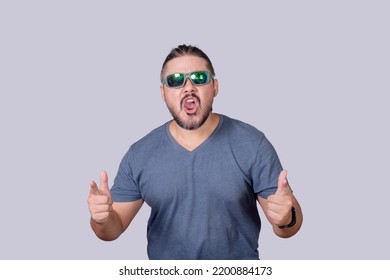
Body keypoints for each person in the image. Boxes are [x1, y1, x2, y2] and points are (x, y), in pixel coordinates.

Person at [88, 44, 303, 260]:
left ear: (215, 87)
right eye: (175, 81)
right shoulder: (140, 153)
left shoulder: (252, 144)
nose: (188, 87)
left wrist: (287, 216)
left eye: (199, 78)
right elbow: (112, 230)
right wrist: (101, 219)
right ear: (163, 92)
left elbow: (287, 228)